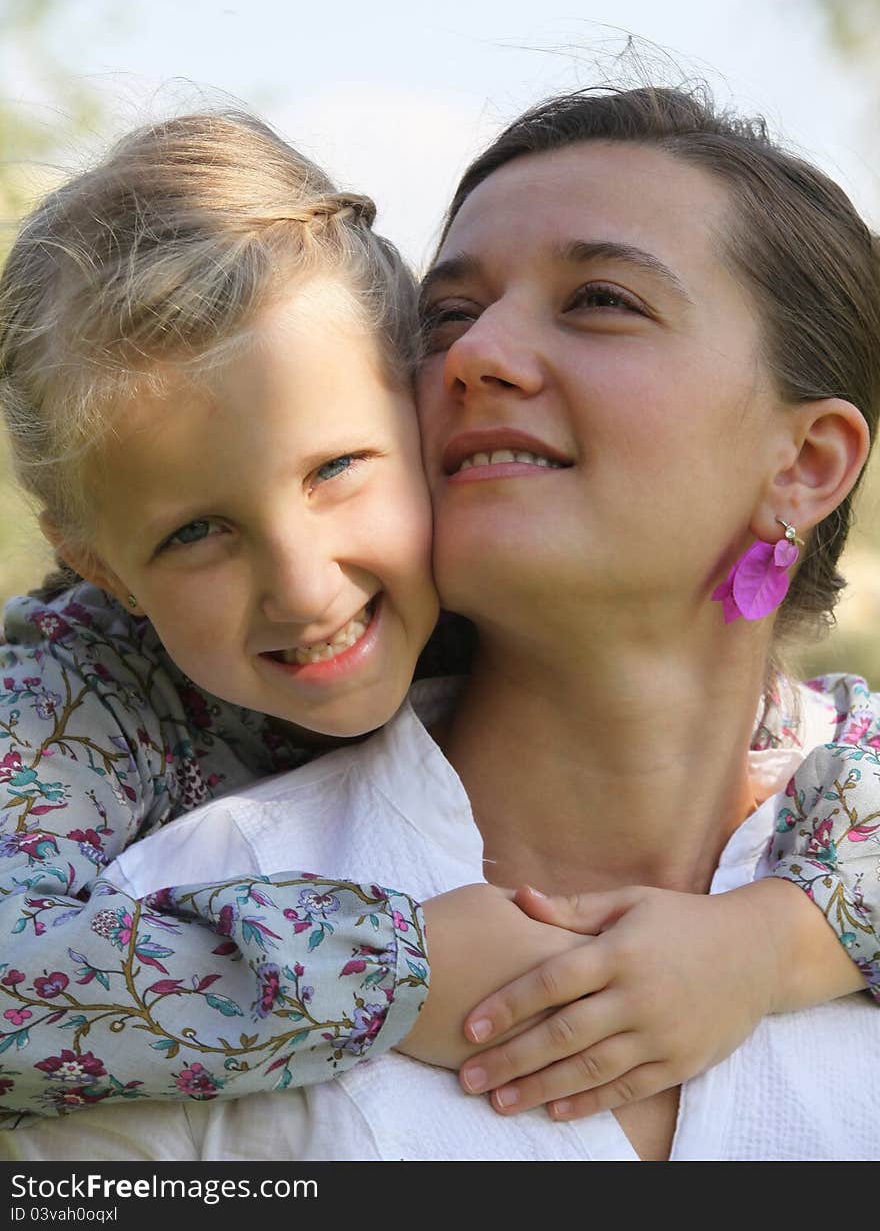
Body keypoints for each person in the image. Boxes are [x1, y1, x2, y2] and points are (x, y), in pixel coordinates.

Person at [0, 99, 876, 1152]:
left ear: (809, 461)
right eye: (448, 315)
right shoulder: (113, 781)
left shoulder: (847, 780)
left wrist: (777, 942)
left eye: (600, 299)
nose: (473, 355)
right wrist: (392, 969)